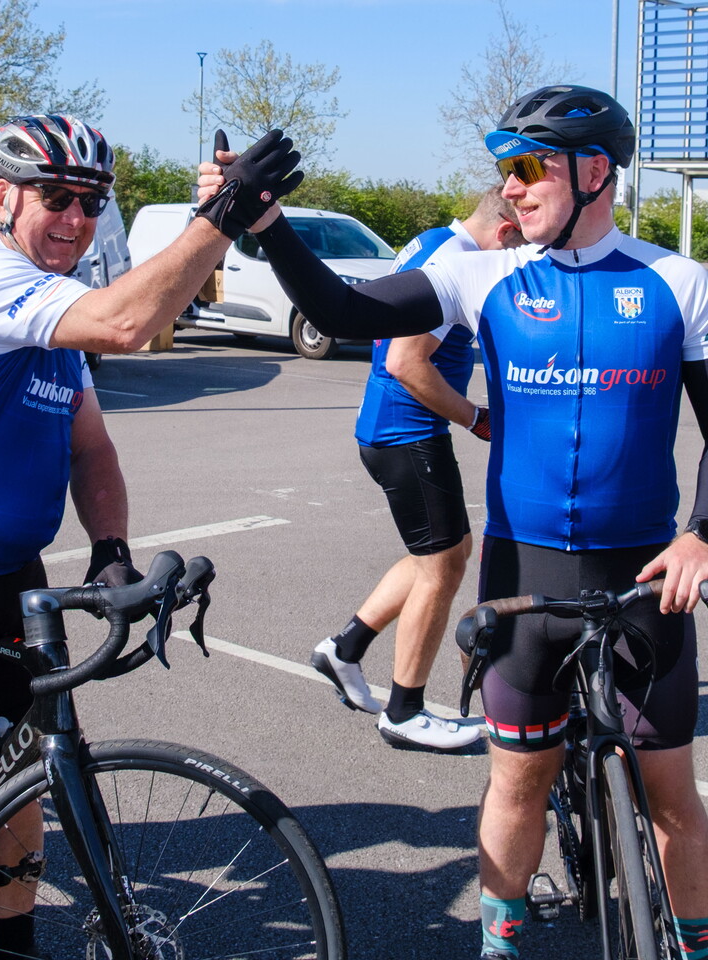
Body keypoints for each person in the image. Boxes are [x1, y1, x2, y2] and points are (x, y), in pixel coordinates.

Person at [200, 85, 708, 960]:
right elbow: (346, 311)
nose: (509, 189)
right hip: (526, 577)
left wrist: (701, 533)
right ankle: (500, 945)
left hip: (642, 577)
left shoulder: (677, 281)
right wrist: (268, 224)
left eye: (526, 168)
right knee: (516, 783)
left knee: (671, 791)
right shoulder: (482, 273)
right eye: (502, 171)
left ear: (595, 172)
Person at [0, 114, 300, 960]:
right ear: (4, 197)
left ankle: (15, 948)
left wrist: (110, 546)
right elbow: (127, 322)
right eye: (58, 198)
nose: (77, 219)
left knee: (22, 771)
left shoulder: (52, 313)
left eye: (92, 202)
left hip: (8, 568)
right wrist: (223, 213)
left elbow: (90, 446)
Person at [312, 186, 524, 753]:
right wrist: (474, 416)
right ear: (504, 232)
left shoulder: (434, 241)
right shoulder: (456, 260)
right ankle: (404, 712)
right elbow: (407, 362)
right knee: (442, 569)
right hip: (407, 433)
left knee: (445, 552)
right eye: (522, 245)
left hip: (395, 430)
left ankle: (346, 648)